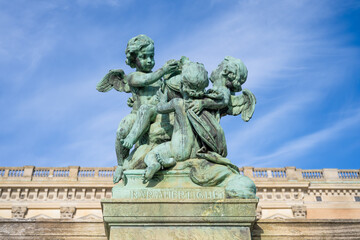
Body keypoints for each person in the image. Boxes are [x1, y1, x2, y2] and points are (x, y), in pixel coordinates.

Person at [99, 34, 178, 183]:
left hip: (156, 112)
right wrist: (164, 70)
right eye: (144, 57)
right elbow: (147, 80)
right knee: (121, 131)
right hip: (137, 114)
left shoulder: (159, 79)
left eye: (151, 56)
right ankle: (121, 164)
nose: (149, 60)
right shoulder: (133, 77)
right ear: (134, 59)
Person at [143, 61, 209, 181]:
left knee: (150, 155)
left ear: (183, 86)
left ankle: (158, 163)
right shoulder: (200, 106)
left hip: (177, 148)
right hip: (195, 149)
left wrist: (163, 100)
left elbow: (159, 109)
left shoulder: (177, 103)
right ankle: (168, 162)